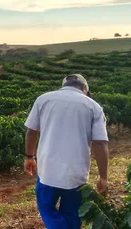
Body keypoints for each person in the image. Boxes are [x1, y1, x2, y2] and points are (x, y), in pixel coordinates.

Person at [24, 74, 109, 229]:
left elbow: (31, 132)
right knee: (72, 213)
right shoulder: (93, 107)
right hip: (77, 173)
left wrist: (29, 156)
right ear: (84, 88)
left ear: (64, 85)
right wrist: (103, 177)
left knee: (46, 207)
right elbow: (100, 144)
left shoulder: (43, 99)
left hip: (47, 171)